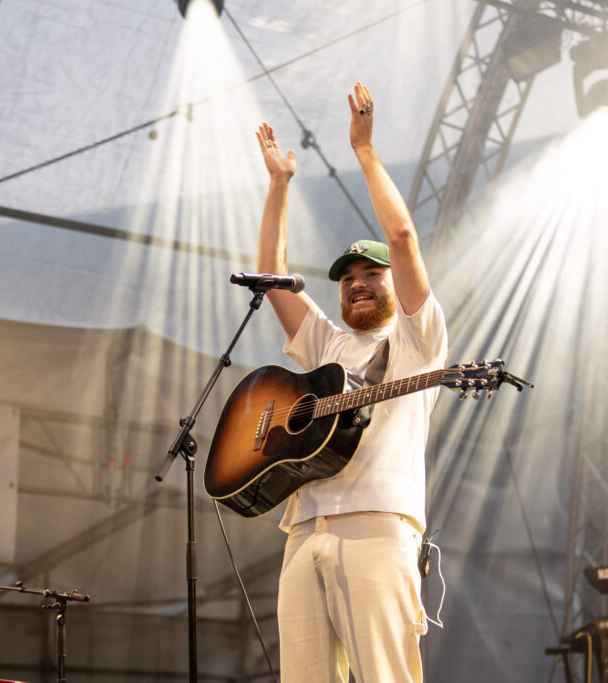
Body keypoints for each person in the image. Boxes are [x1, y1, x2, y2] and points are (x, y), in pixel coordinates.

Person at [253, 82, 448, 682]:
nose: (357, 283)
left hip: (379, 524)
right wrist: (280, 185)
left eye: (371, 273)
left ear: (394, 283)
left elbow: (403, 239)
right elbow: (270, 276)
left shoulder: (418, 339)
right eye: (346, 278)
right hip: (304, 530)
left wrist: (363, 149)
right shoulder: (326, 345)